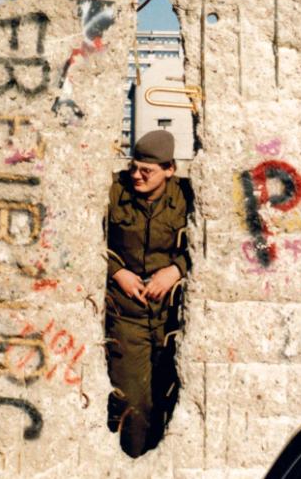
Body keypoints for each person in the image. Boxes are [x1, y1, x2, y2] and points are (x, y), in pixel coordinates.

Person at [105, 130, 191, 457]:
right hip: (127, 314)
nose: (136, 176)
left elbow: (212, 243)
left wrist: (176, 270)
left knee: (167, 396)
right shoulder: (115, 191)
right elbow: (86, 239)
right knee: (132, 400)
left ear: (169, 169)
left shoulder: (185, 198)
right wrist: (118, 273)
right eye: (134, 167)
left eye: (147, 171)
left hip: (170, 317)